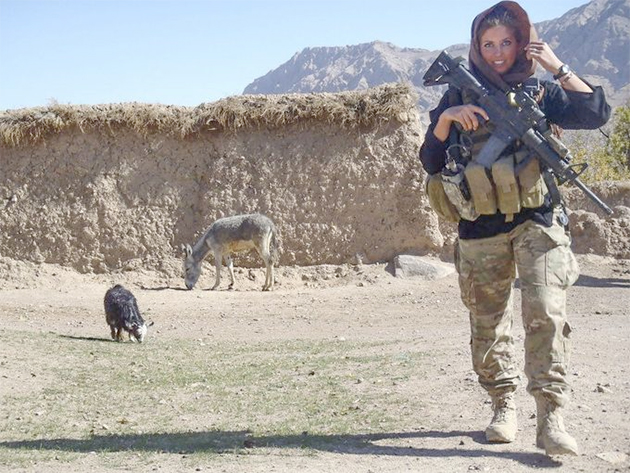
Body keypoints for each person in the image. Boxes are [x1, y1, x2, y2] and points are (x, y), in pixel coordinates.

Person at [419, 1, 610, 456]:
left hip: (536, 220)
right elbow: (429, 159)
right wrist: (447, 120)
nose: (499, 52)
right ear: (476, 48)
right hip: (479, 227)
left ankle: (551, 417)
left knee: (545, 312)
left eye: (507, 42)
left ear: (523, 43)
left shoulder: (541, 92)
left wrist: (558, 67)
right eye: (489, 44)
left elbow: (596, 113)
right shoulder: (455, 94)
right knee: (488, 324)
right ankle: (502, 405)